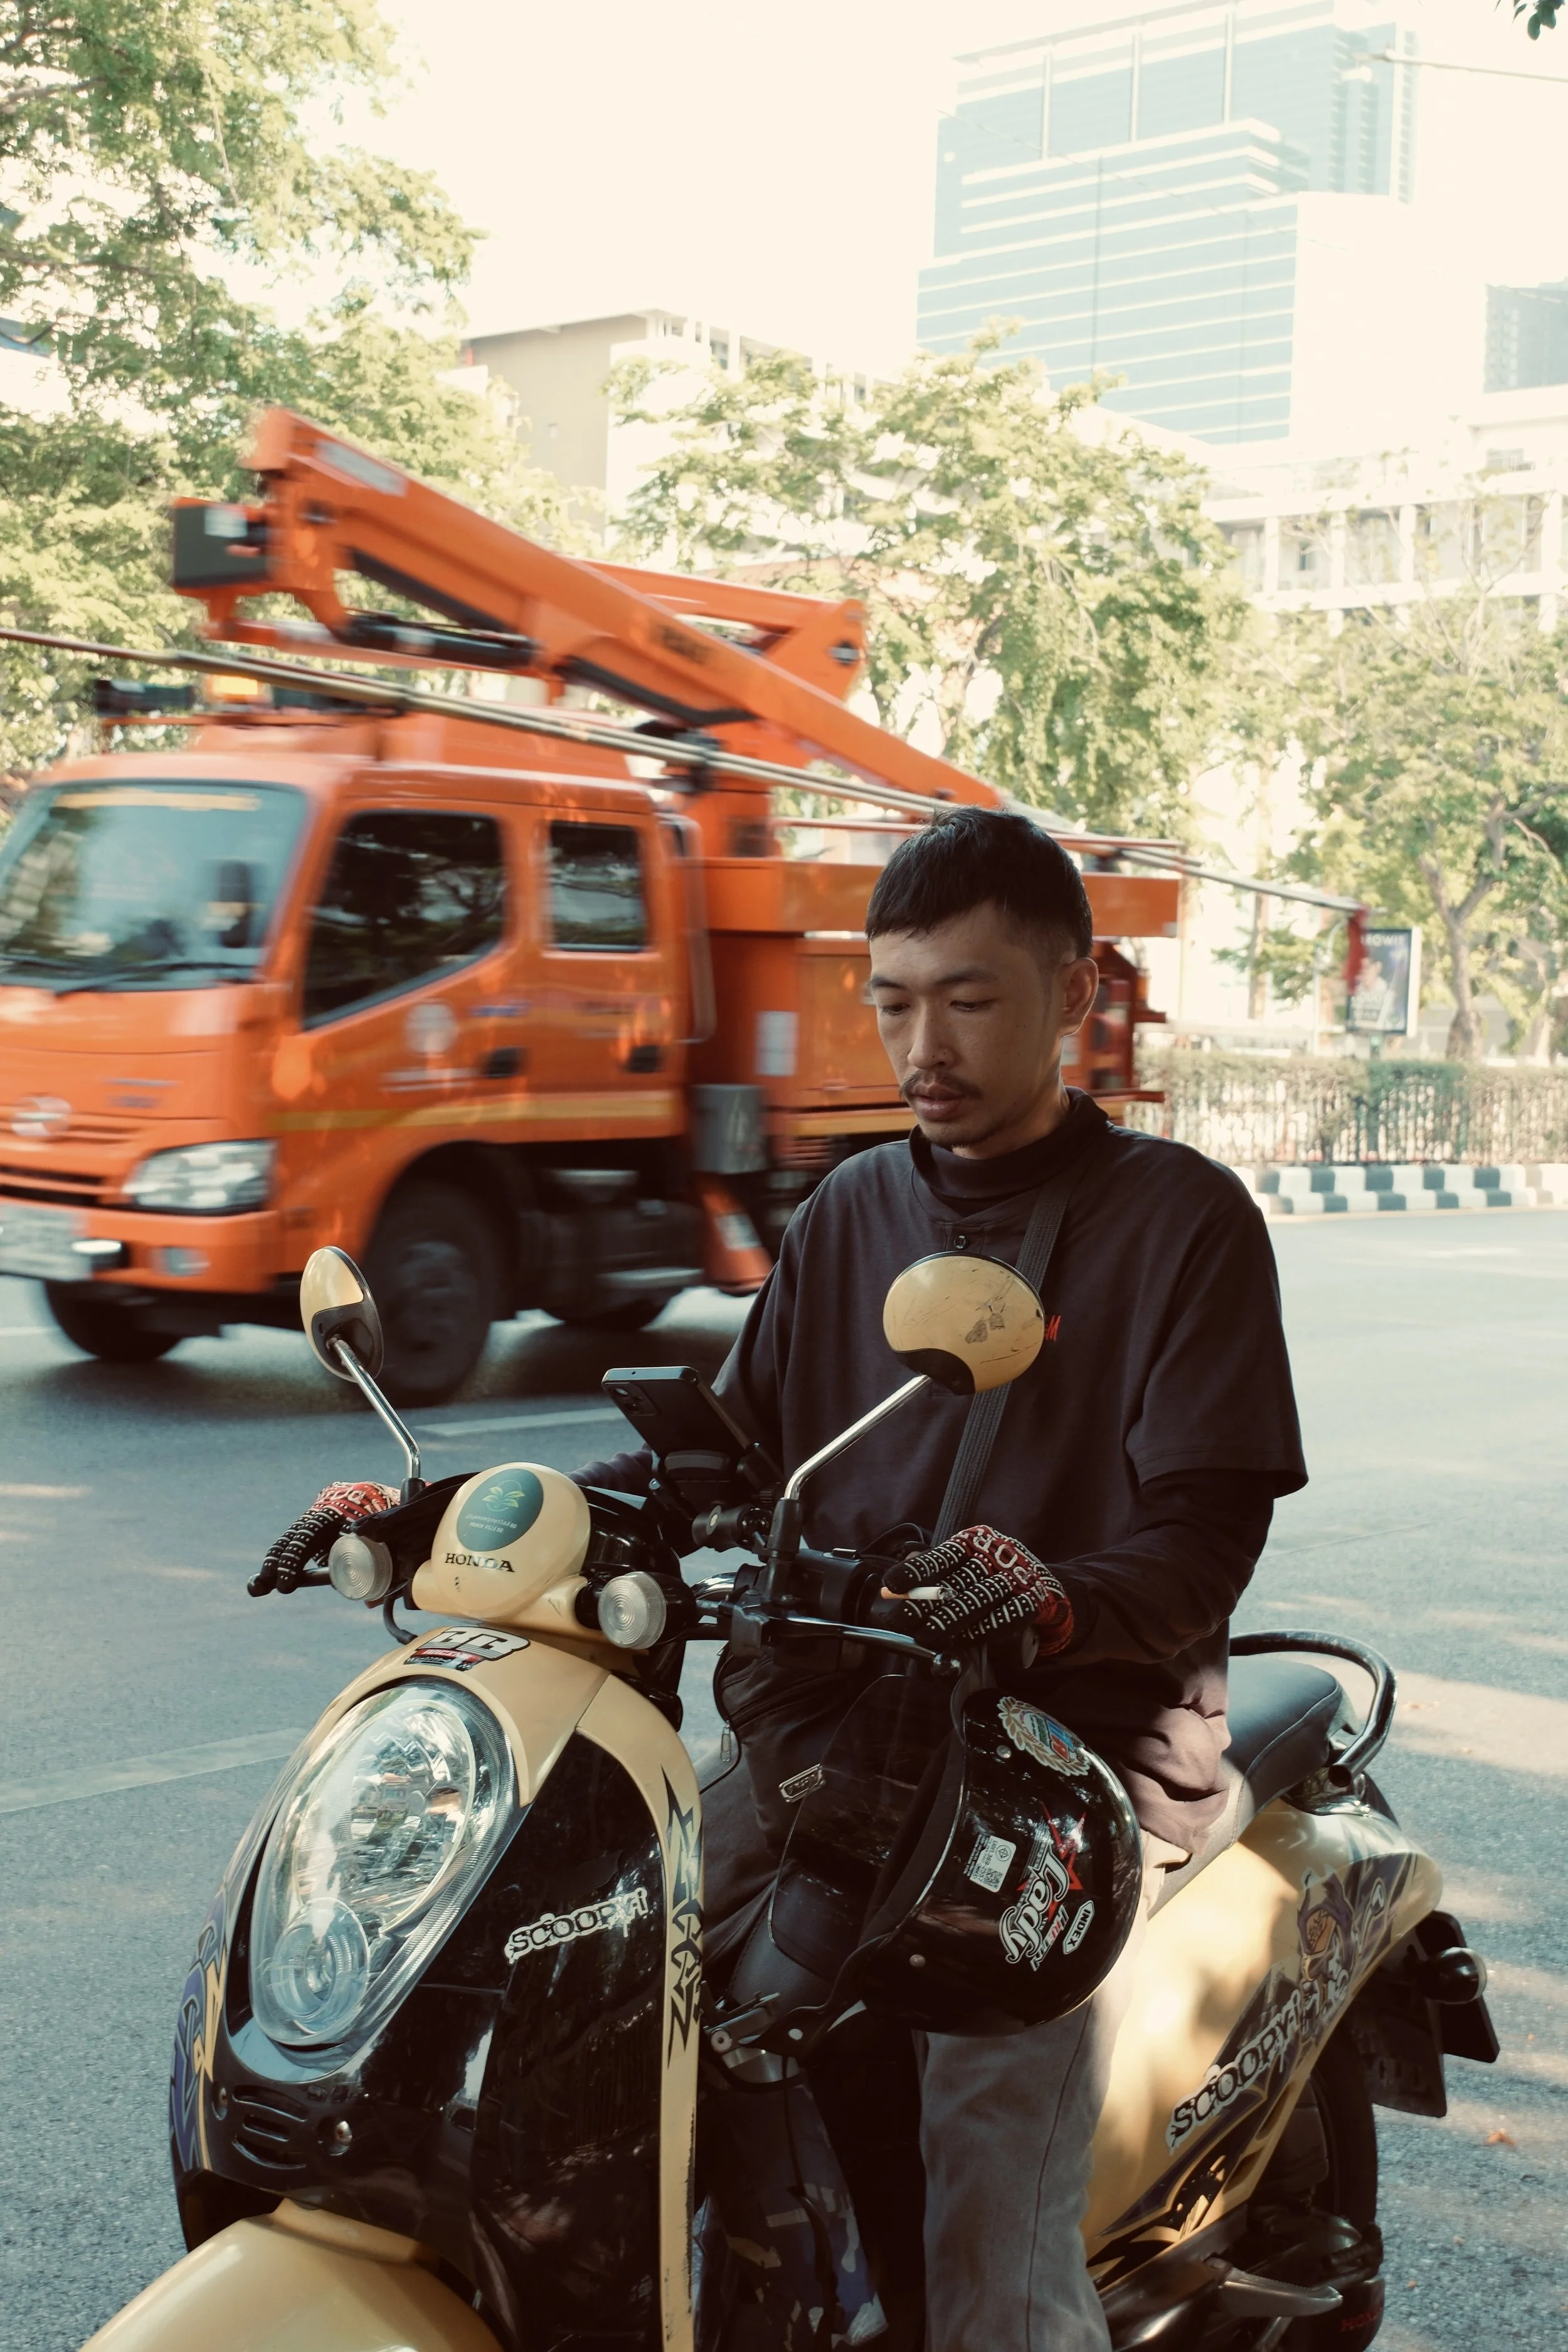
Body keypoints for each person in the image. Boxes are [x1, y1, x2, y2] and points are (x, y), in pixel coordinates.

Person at [576, 807, 1306, 2352]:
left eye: (969, 999)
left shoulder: (1180, 1222)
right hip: (839, 1734)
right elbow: (740, 1451)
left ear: (1075, 990)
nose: (925, 1042)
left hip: (1061, 1760)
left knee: (987, 2196)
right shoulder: (849, 1207)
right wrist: (482, 1506)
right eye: (894, 999)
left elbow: (1199, 1540)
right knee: (604, 2011)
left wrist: (1043, 1599)